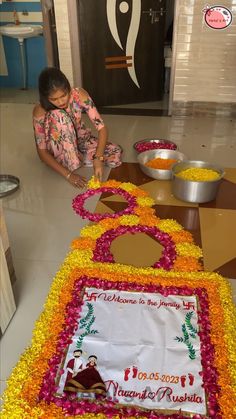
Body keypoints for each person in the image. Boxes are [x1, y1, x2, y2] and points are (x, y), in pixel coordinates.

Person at [33, 67, 122, 188]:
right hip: (59, 148)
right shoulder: (40, 111)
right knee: (59, 115)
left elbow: (102, 128)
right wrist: (68, 175)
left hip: (81, 140)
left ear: (68, 88)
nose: (60, 102)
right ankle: (69, 161)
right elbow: (42, 153)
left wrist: (98, 158)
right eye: (54, 99)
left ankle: (79, 157)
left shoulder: (78, 94)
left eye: (64, 95)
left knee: (114, 151)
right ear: (45, 97)